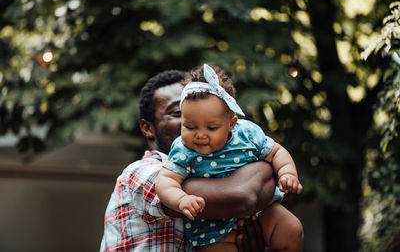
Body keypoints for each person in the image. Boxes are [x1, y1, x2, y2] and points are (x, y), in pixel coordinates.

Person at [100, 70, 282, 252]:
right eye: (179, 113)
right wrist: (268, 166)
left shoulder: (211, 167)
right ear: (148, 128)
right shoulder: (140, 173)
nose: (198, 121)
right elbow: (241, 196)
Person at [156, 64, 304, 252]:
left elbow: (276, 152)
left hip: (262, 212)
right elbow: (166, 180)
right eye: (190, 127)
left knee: (292, 229)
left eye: (211, 128)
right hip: (211, 230)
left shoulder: (247, 134)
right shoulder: (183, 150)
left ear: (231, 124)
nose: (200, 135)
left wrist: (287, 173)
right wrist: (181, 200)